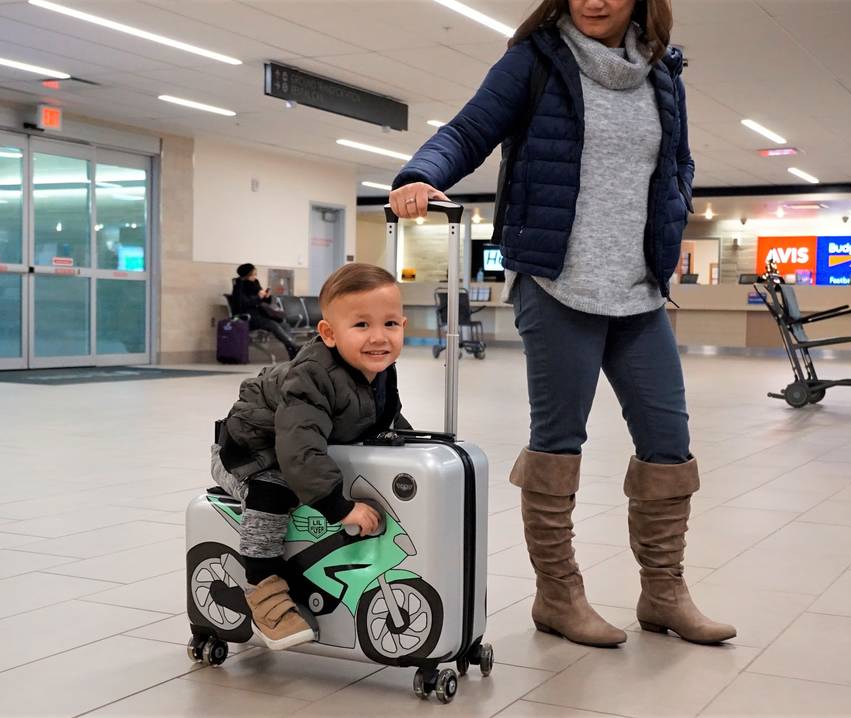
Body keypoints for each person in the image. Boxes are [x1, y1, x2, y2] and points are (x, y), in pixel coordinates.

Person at [390, 0, 735, 647]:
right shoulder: (536, 60)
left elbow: (678, 165)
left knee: (669, 443)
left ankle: (664, 592)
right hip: (556, 283)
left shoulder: (663, 74)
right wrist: (421, 174)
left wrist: (672, 221)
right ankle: (558, 595)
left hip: (638, 290)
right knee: (558, 444)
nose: (594, 1)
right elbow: (467, 133)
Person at [212, 263, 412, 650]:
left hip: (295, 447)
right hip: (250, 451)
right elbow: (298, 450)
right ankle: (264, 591)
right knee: (274, 493)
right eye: (361, 326)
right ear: (329, 334)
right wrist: (339, 507)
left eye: (390, 324)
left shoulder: (381, 370)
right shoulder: (312, 375)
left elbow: (383, 419)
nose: (379, 338)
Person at [232, 263, 300, 359]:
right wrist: (258, 297)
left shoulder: (255, 284)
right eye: (253, 275)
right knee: (273, 325)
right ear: (246, 275)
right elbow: (242, 304)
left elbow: (264, 301)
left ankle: (292, 351)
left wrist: (267, 296)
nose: (255, 277)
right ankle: (294, 346)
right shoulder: (239, 286)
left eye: (255, 274)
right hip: (249, 317)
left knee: (284, 324)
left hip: (261, 314)